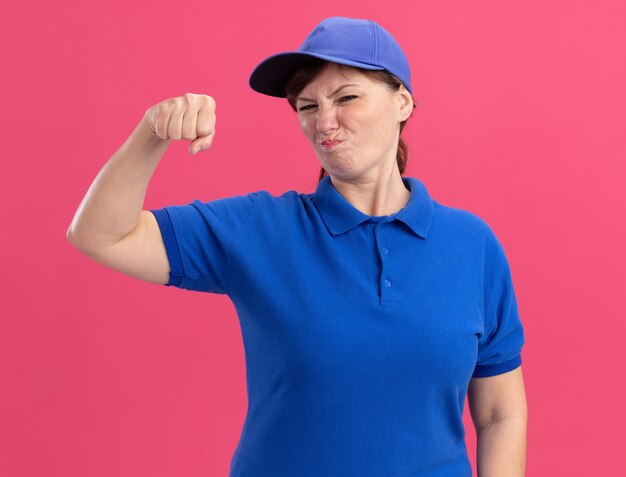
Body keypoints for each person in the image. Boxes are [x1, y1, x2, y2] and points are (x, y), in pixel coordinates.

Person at [67, 16, 527, 477]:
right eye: (307, 107)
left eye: (346, 97)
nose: (324, 122)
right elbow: (101, 234)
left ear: (402, 102)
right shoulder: (259, 229)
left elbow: (499, 414)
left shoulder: (472, 245)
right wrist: (152, 134)